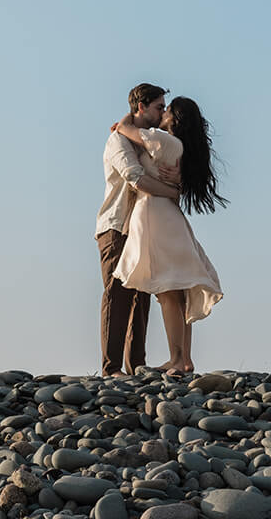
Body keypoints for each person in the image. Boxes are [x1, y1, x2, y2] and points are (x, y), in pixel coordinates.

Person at [111, 95, 226, 374]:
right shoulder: (181, 146)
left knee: (169, 293)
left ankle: (176, 360)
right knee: (179, 291)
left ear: (174, 118)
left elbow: (126, 130)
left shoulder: (164, 141)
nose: (162, 114)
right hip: (171, 216)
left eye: (166, 110)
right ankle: (184, 359)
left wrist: (124, 120)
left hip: (155, 214)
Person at [96, 83, 182, 376]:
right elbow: (137, 179)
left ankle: (136, 366)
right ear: (141, 107)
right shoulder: (118, 142)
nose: (162, 113)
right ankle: (111, 368)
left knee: (142, 295)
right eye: (159, 107)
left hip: (142, 226)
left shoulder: (146, 138)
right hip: (117, 225)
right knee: (117, 293)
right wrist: (173, 193)